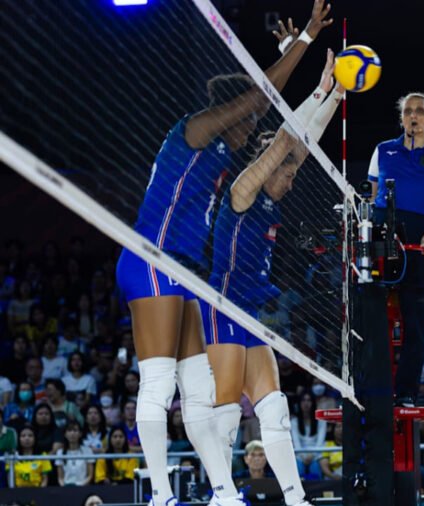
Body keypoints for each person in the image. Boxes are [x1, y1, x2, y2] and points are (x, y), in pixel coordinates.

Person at [113, 4, 331, 505]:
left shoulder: (225, 155)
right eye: (248, 119)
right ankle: (160, 496)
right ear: (232, 112)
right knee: (159, 383)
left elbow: (279, 125)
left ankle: (224, 493)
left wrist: (305, 72)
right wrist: (304, 41)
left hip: (184, 271)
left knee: (197, 390)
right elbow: (259, 97)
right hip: (152, 258)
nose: (252, 126)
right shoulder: (194, 131)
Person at [203, 49, 344, 506]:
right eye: (285, 173)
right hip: (222, 308)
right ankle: (221, 496)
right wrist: (318, 90)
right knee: (227, 412)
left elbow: (302, 142)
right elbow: (284, 142)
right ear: (268, 165)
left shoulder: (272, 193)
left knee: (275, 409)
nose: (291, 180)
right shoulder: (243, 192)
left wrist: (336, 94)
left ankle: (296, 499)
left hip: (250, 312)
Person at [367, 92, 424, 407]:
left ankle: (406, 392)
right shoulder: (383, 150)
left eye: (419, 111)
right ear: (401, 117)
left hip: (419, 238)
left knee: (416, 320)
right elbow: (371, 196)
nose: (413, 116)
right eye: (408, 111)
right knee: (369, 313)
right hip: (382, 232)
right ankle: (371, 388)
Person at [55, 421, 94, 486]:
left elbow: (90, 475)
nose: (72, 433)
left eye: (75, 430)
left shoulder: (88, 451)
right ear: (65, 434)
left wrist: (80, 487)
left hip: (83, 487)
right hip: (66, 487)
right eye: (69, 430)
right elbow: (60, 478)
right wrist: (64, 487)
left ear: (80, 434)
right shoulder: (60, 453)